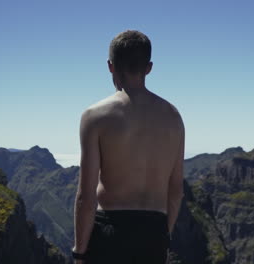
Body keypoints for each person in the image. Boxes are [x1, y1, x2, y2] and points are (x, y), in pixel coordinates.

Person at [72, 30, 185, 264]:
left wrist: (79, 253)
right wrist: (163, 237)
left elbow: (86, 197)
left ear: (110, 66)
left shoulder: (95, 116)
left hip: (110, 232)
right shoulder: (173, 117)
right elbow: (175, 192)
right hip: (153, 234)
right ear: (149, 67)